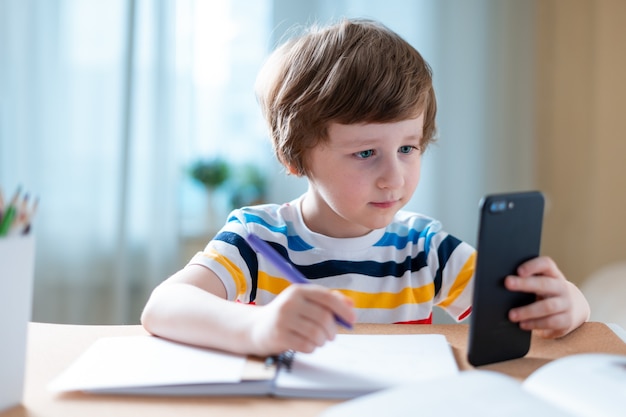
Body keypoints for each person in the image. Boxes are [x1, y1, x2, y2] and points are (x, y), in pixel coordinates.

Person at [141, 18, 590, 357]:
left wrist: (568, 304)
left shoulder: (425, 248)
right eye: (365, 153)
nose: (394, 177)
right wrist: (257, 329)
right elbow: (164, 306)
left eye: (408, 148)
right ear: (295, 156)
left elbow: (514, 317)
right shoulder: (258, 240)